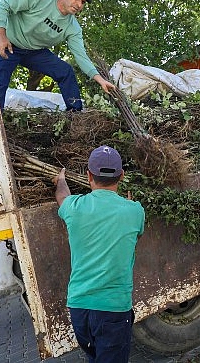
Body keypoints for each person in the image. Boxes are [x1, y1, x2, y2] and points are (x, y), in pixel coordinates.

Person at [54, 145, 145, 362]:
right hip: (113, 309)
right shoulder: (135, 211)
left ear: (88, 176)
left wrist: (61, 180)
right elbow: (136, 237)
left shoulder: (74, 207)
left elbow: (62, 195)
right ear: (121, 176)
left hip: (79, 308)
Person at [0, 0, 115, 111]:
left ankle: (75, 117)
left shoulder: (73, 28)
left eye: (83, 2)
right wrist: (1, 35)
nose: (79, 5)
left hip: (33, 52)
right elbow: (1, 4)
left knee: (65, 71)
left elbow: (81, 56)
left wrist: (100, 80)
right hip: (6, 43)